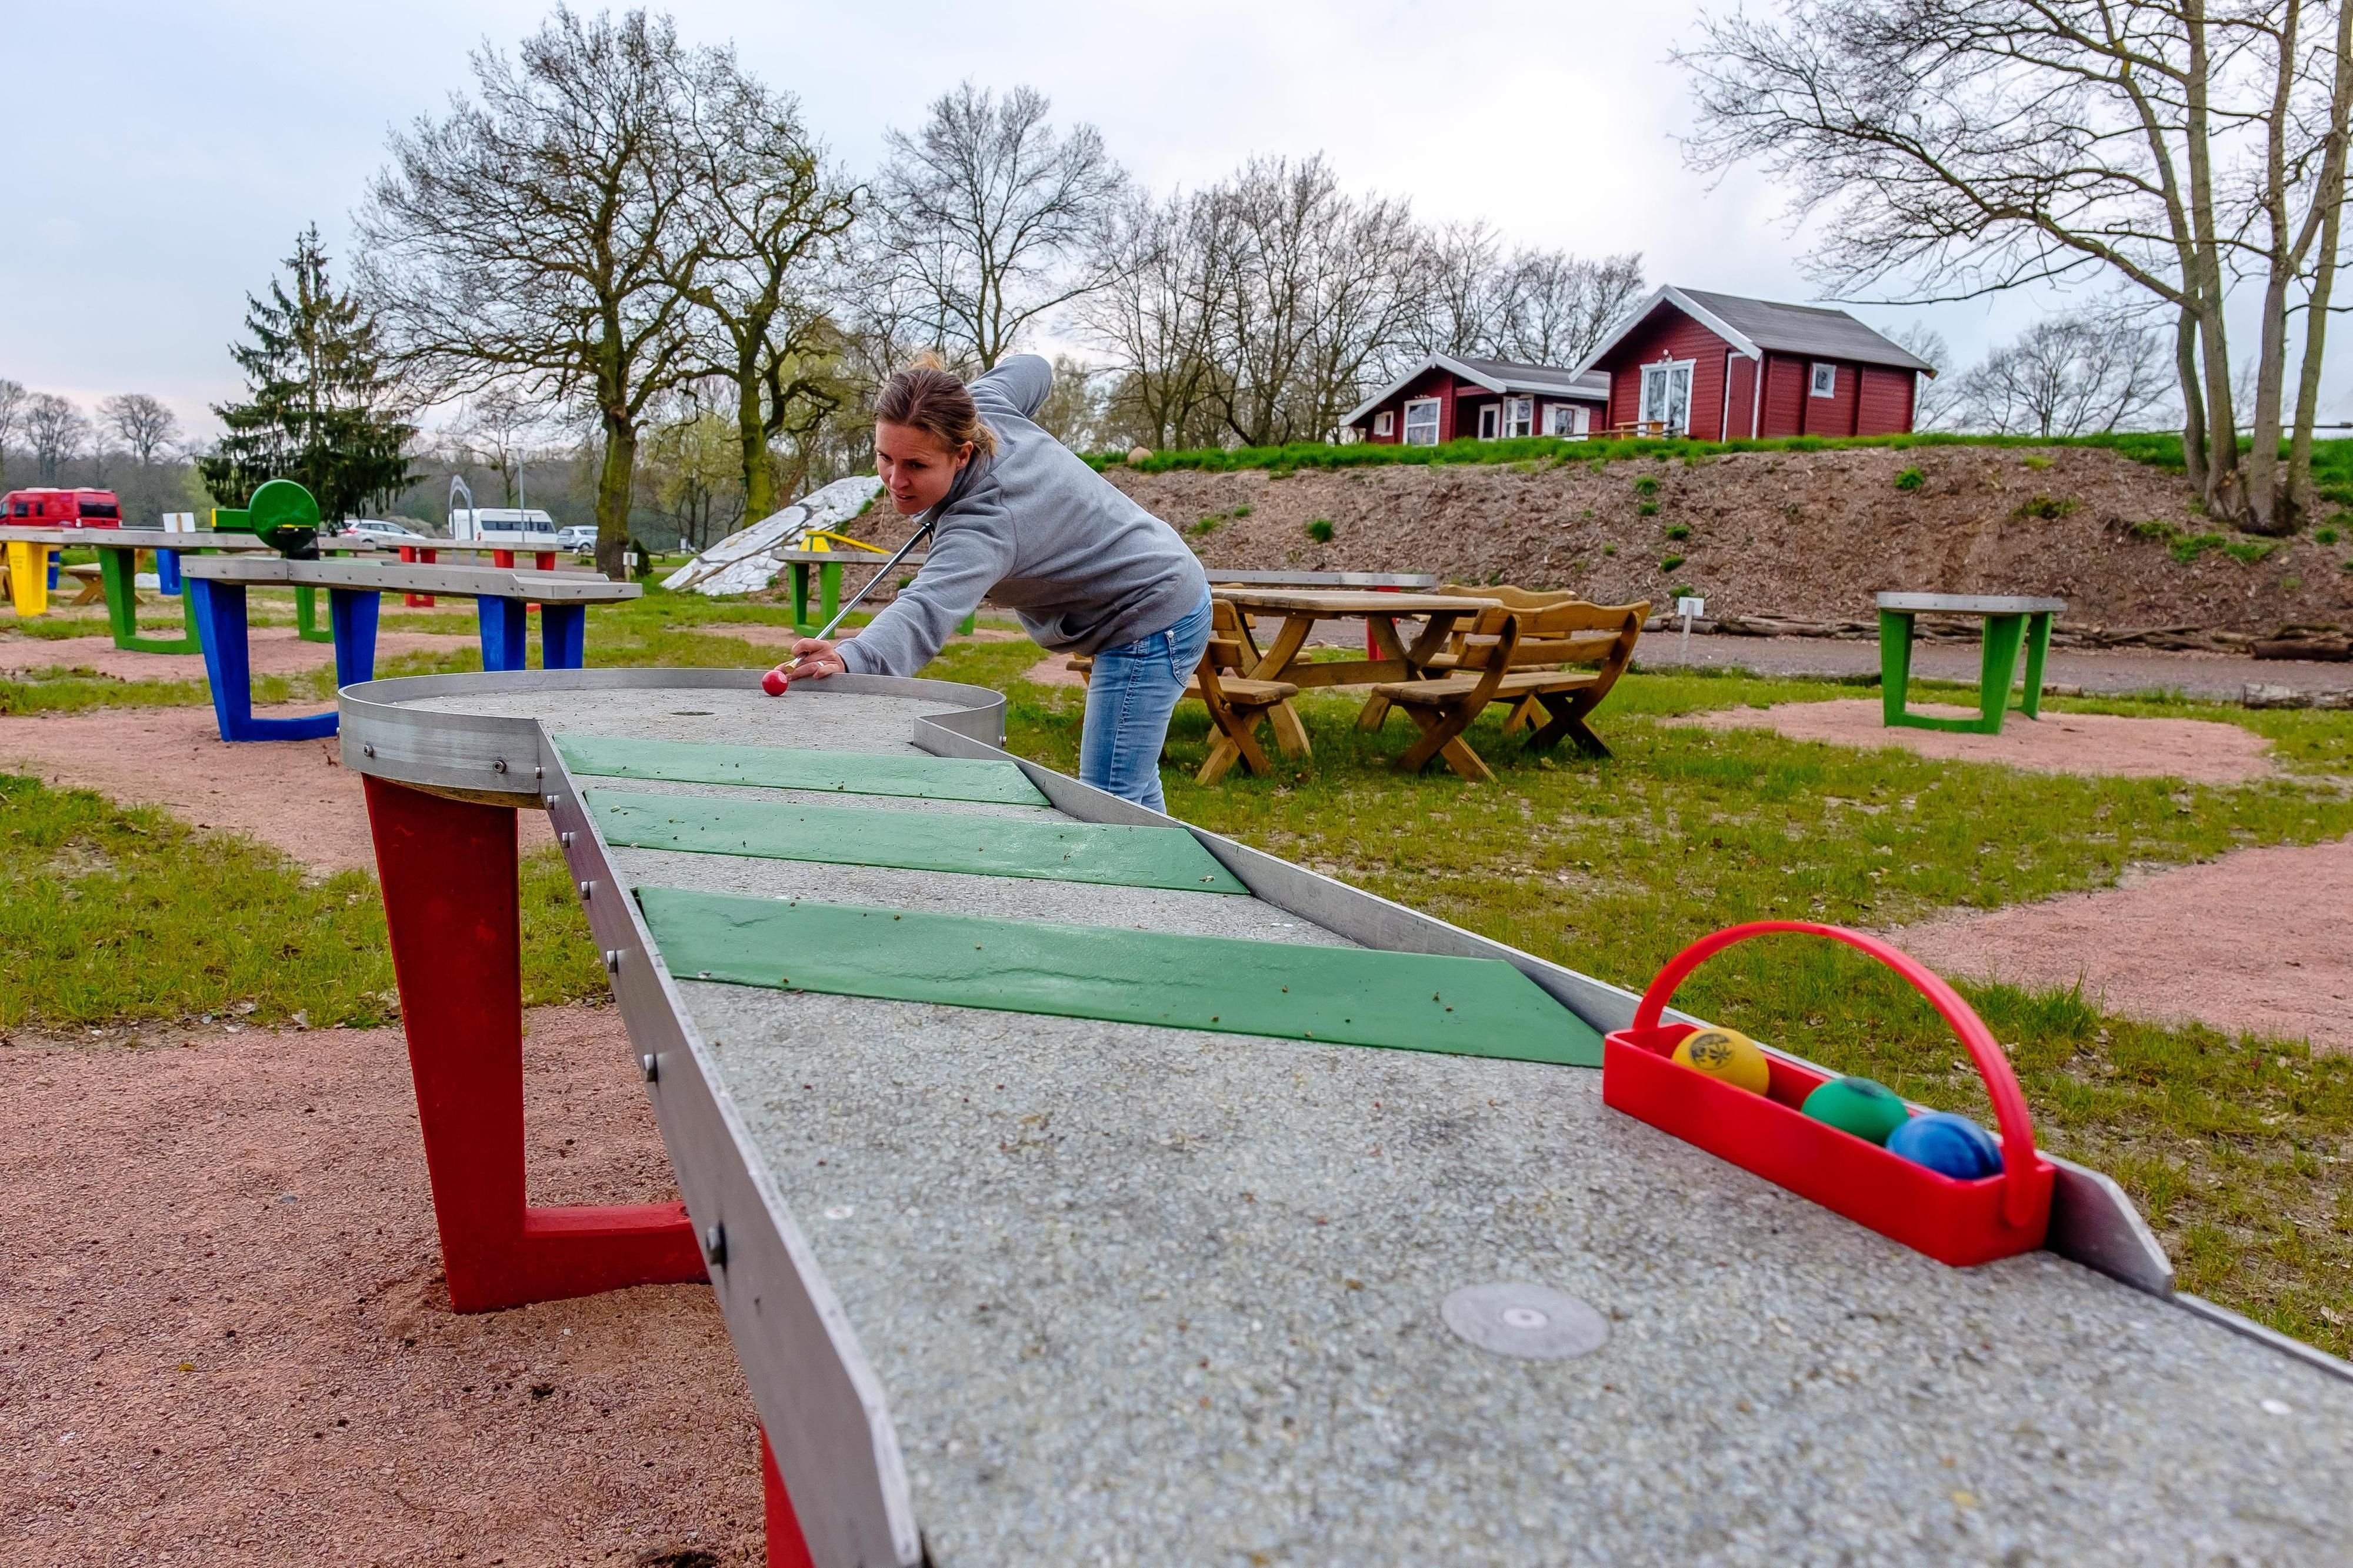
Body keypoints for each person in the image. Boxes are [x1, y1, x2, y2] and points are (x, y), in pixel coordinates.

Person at [771, 355, 1212, 814]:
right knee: (1131, 788)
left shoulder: (985, 523)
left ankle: (1135, 885)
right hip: (1161, 579)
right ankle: (1167, 879)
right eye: (885, 457)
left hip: (1152, 613)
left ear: (962, 453)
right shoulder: (985, 404)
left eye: (917, 466)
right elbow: (1034, 368)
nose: (895, 481)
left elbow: (926, 608)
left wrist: (853, 657)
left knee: (1108, 801)